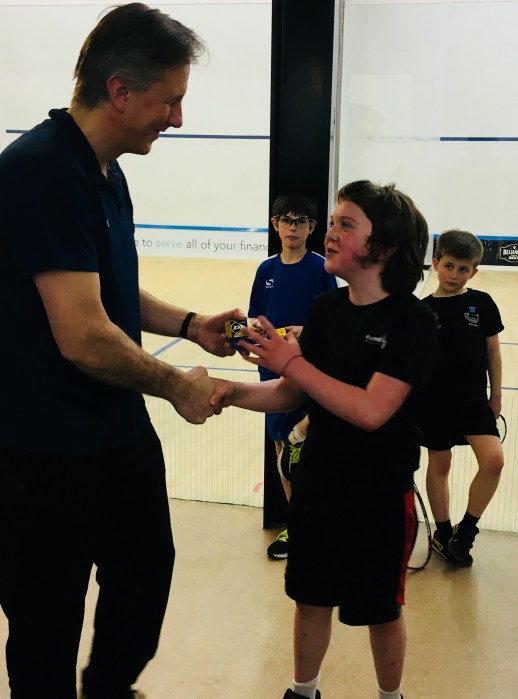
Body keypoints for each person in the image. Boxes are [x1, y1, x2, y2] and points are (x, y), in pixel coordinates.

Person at [0, 4, 245, 698]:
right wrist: (177, 384)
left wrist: (191, 322)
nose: (178, 119)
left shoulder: (105, 170)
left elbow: (107, 285)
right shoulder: (41, 172)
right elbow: (82, 333)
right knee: (46, 626)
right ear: (120, 90)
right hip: (39, 454)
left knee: (144, 575)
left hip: (114, 432)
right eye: (171, 100)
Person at [211, 180, 437, 699]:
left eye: (345, 225)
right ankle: (303, 691)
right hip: (318, 486)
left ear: (385, 247)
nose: (330, 234)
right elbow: (292, 393)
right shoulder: (326, 310)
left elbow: (372, 411)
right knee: (309, 598)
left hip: (380, 496)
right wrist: (231, 392)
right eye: (332, 223)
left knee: (381, 611)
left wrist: (291, 361)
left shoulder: (413, 321)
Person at [247, 194, 337, 559]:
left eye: (300, 221)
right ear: (275, 225)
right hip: (271, 373)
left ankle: (319, 524)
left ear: (312, 228)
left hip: (310, 372)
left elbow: (332, 320)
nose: (292, 227)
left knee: (311, 452)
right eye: (286, 220)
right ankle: (298, 526)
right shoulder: (266, 270)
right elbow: (255, 317)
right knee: (283, 451)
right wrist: (245, 332)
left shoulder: (321, 269)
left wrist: (306, 331)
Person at [421, 229, 504, 567]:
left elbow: (493, 352)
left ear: (474, 271)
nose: (454, 275)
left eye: (463, 269)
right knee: (440, 464)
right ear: (436, 263)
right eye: (449, 266)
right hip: (434, 402)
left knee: (494, 461)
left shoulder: (482, 303)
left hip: (473, 401)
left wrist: (496, 395)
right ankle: (442, 534)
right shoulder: (423, 310)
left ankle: (466, 532)